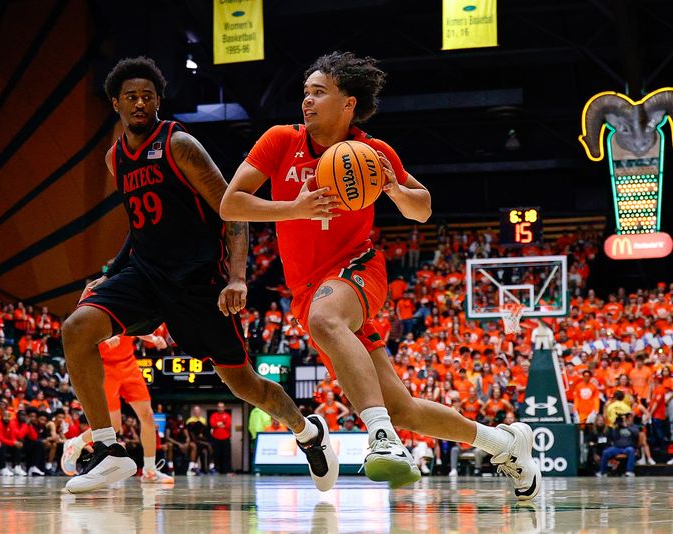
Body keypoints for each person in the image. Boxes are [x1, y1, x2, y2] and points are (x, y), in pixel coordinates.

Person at [222, 51, 540, 499]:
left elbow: (423, 208)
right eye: (305, 93)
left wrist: (392, 187)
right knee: (404, 408)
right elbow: (231, 203)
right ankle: (505, 443)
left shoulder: (372, 152)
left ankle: (381, 439)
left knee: (325, 319)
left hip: (357, 268)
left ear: (348, 103)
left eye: (318, 93)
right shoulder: (279, 140)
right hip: (307, 288)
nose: (307, 102)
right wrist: (293, 209)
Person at [61, 56, 337, 494]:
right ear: (115, 103)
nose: (139, 104)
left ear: (158, 101)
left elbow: (234, 209)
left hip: (200, 282)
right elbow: (139, 226)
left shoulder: (179, 145)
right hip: (146, 275)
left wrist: (238, 278)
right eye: (130, 97)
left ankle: (308, 433)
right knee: (76, 328)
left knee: (245, 385)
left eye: (147, 97)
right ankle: (108, 449)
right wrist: (110, 274)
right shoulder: (116, 158)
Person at [60, 335, 173, 484]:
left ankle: (150, 471)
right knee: (113, 426)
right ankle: (75, 444)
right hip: (105, 366)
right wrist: (102, 340)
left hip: (129, 364)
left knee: (148, 416)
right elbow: (81, 338)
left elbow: (132, 325)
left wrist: (152, 338)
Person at [209, 402, 232, 474]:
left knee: (226, 455)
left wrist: (219, 424)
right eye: (219, 407)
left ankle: (226, 470)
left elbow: (228, 425)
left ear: (224, 408)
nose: (220, 408)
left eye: (222, 407)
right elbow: (212, 424)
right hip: (216, 438)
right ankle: (217, 469)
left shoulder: (227, 415)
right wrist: (221, 423)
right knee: (216, 455)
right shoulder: (214, 415)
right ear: (217, 408)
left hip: (225, 438)